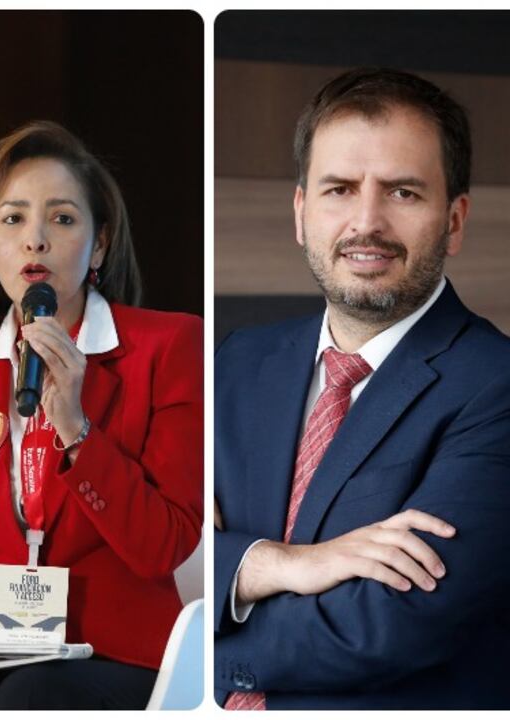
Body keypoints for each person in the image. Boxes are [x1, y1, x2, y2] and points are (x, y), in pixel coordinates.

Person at [0, 121, 203, 710]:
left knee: (31, 697)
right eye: (12, 219)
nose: (35, 241)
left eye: (62, 218)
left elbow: (164, 545)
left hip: (115, 647)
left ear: (99, 245)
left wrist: (78, 428)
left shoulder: (171, 346)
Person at [214, 68, 510, 709]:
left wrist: (194, 643)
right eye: (340, 189)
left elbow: (382, 628)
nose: (367, 221)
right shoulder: (238, 362)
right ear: (301, 213)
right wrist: (272, 563)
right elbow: (172, 555)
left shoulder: (496, 387)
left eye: (403, 192)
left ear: (454, 221)